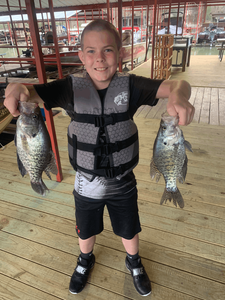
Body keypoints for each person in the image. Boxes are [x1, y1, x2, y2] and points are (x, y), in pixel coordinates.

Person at [4, 19, 195, 297]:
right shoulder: (68, 88)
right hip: (85, 181)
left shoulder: (132, 87)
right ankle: (85, 260)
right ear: (81, 56)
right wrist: (16, 89)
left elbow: (178, 84)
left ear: (121, 54)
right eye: (91, 51)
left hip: (123, 181)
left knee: (128, 227)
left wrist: (179, 95)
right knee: (85, 229)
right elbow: (27, 91)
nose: (99, 59)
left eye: (107, 50)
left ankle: (134, 262)